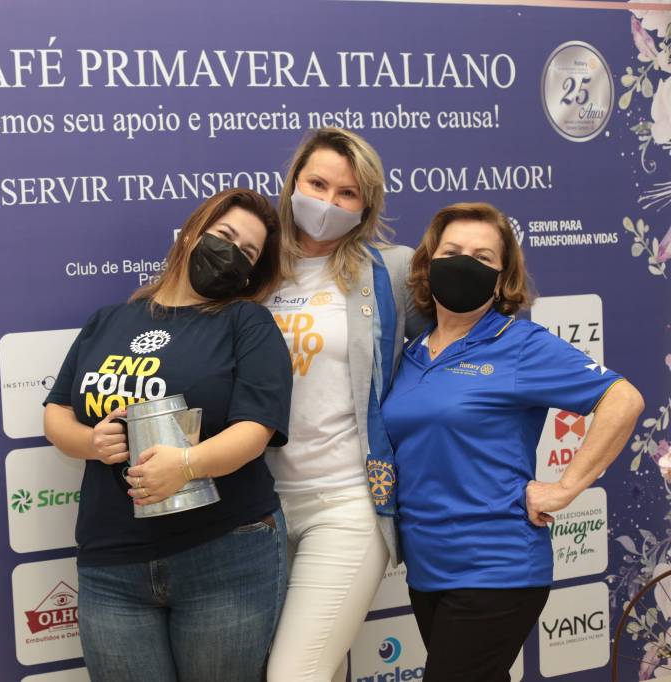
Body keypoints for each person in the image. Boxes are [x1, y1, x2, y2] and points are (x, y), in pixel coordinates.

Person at [381, 202, 644, 681]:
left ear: (502, 278)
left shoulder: (519, 345)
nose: (464, 264)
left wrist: (564, 488)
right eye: (451, 252)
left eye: (482, 258)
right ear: (428, 263)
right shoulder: (411, 352)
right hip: (427, 568)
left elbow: (622, 400)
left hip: (496, 566)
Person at [42, 188, 293, 682]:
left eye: (247, 252)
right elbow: (58, 412)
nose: (231, 253)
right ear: (192, 234)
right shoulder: (109, 321)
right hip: (111, 562)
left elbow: (255, 429)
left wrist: (185, 466)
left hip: (225, 553)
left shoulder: (247, 323)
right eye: (224, 235)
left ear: (251, 272)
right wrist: (90, 443)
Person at [266, 127, 427, 682]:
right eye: (317, 184)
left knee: (294, 673)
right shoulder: (255, 268)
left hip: (346, 501)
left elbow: (456, 344)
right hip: (258, 509)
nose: (328, 202)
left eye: (347, 193)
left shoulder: (392, 270)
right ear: (293, 183)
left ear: (366, 206)